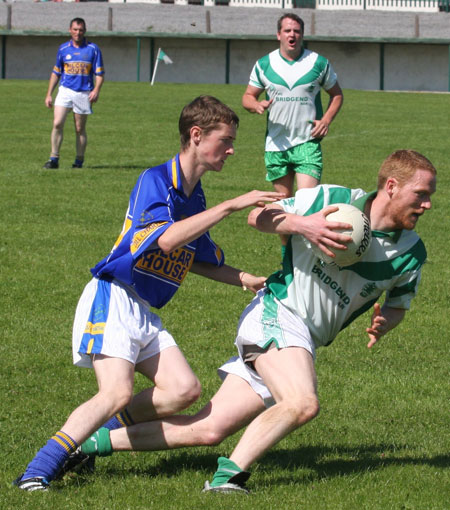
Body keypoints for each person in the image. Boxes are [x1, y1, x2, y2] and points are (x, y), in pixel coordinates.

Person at [62, 150, 436, 494]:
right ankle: (228, 478)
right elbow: (258, 216)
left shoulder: (412, 253)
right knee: (302, 402)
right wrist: (301, 225)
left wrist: (388, 319)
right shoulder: (332, 199)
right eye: (420, 194)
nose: (427, 204)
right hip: (277, 314)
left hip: (301, 341)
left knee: (208, 429)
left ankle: (91, 444)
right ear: (391, 186)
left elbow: (399, 302)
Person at [13, 95, 284, 492]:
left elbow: (198, 258)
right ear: (196, 135)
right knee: (117, 391)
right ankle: (37, 471)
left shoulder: (195, 196)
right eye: (224, 140)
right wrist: (231, 205)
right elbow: (169, 241)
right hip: (114, 296)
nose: (231, 149)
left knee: (183, 391)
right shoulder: (155, 181)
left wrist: (250, 279)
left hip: (142, 308)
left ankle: (88, 443)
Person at [242, 13, 344, 199]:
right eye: (287, 30)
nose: (292, 35)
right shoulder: (264, 64)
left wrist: (326, 120)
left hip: (307, 141)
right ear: (278, 34)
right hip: (276, 143)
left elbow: (336, 95)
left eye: (297, 31)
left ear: (302, 35)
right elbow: (247, 97)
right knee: (284, 205)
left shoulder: (318, 63)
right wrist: (255, 105)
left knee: (307, 202)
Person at [43, 17, 105, 169]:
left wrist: (96, 90)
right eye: (75, 30)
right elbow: (56, 72)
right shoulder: (63, 49)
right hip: (65, 90)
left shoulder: (93, 49)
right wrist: (49, 93)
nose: (78, 33)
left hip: (83, 93)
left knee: (79, 128)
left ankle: (79, 161)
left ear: (85, 31)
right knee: (57, 123)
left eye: (81, 30)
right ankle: (54, 159)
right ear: (70, 30)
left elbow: (99, 73)